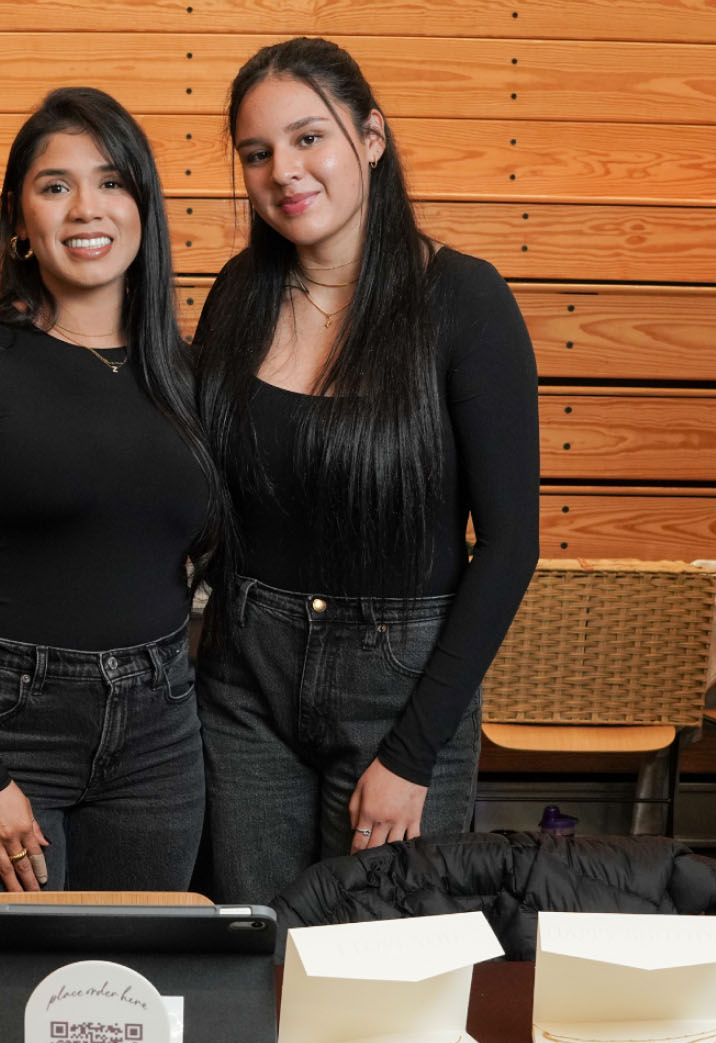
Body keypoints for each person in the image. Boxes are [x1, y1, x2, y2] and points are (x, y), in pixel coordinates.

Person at [192, 38, 540, 905]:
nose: (284, 171)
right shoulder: (237, 294)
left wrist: (411, 753)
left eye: (309, 138)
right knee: (257, 956)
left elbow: (508, 546)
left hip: (400, 688)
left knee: (379, 979)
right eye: (257, 152)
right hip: (245, 685)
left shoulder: (464, 300)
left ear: (371, 138)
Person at [0, 87, 216, 894]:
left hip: (160, 735)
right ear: (19, 218)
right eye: (55, 186)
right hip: (1, 725)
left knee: (132, 996)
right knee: (8, 1005)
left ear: (143, 206)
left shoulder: (189, 373)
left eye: (110, 182)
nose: (84, 209)